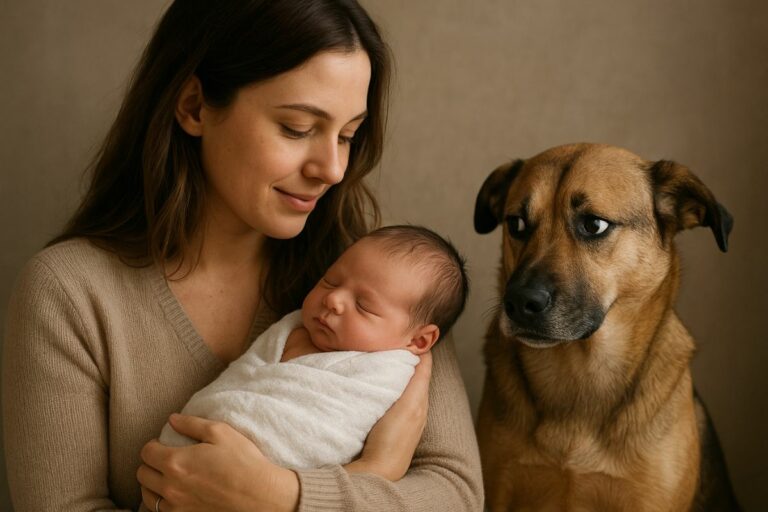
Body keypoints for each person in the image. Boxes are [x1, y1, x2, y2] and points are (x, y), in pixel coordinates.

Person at [2, 1, 483, 511]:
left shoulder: (382, 279)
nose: (334, 168)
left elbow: (456, 495)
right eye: (298, 128)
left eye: (347, 135)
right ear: (194, 107)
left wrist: (284, 498)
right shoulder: (71, 294)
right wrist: (373, 476)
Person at [159, 225, 470, 473]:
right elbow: (243, 380)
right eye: (330, 281)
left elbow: (454, 491)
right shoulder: (292, 328)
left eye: (363, 306)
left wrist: (278, 491)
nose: (333, 300)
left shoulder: (392, 372)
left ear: (418, 341)